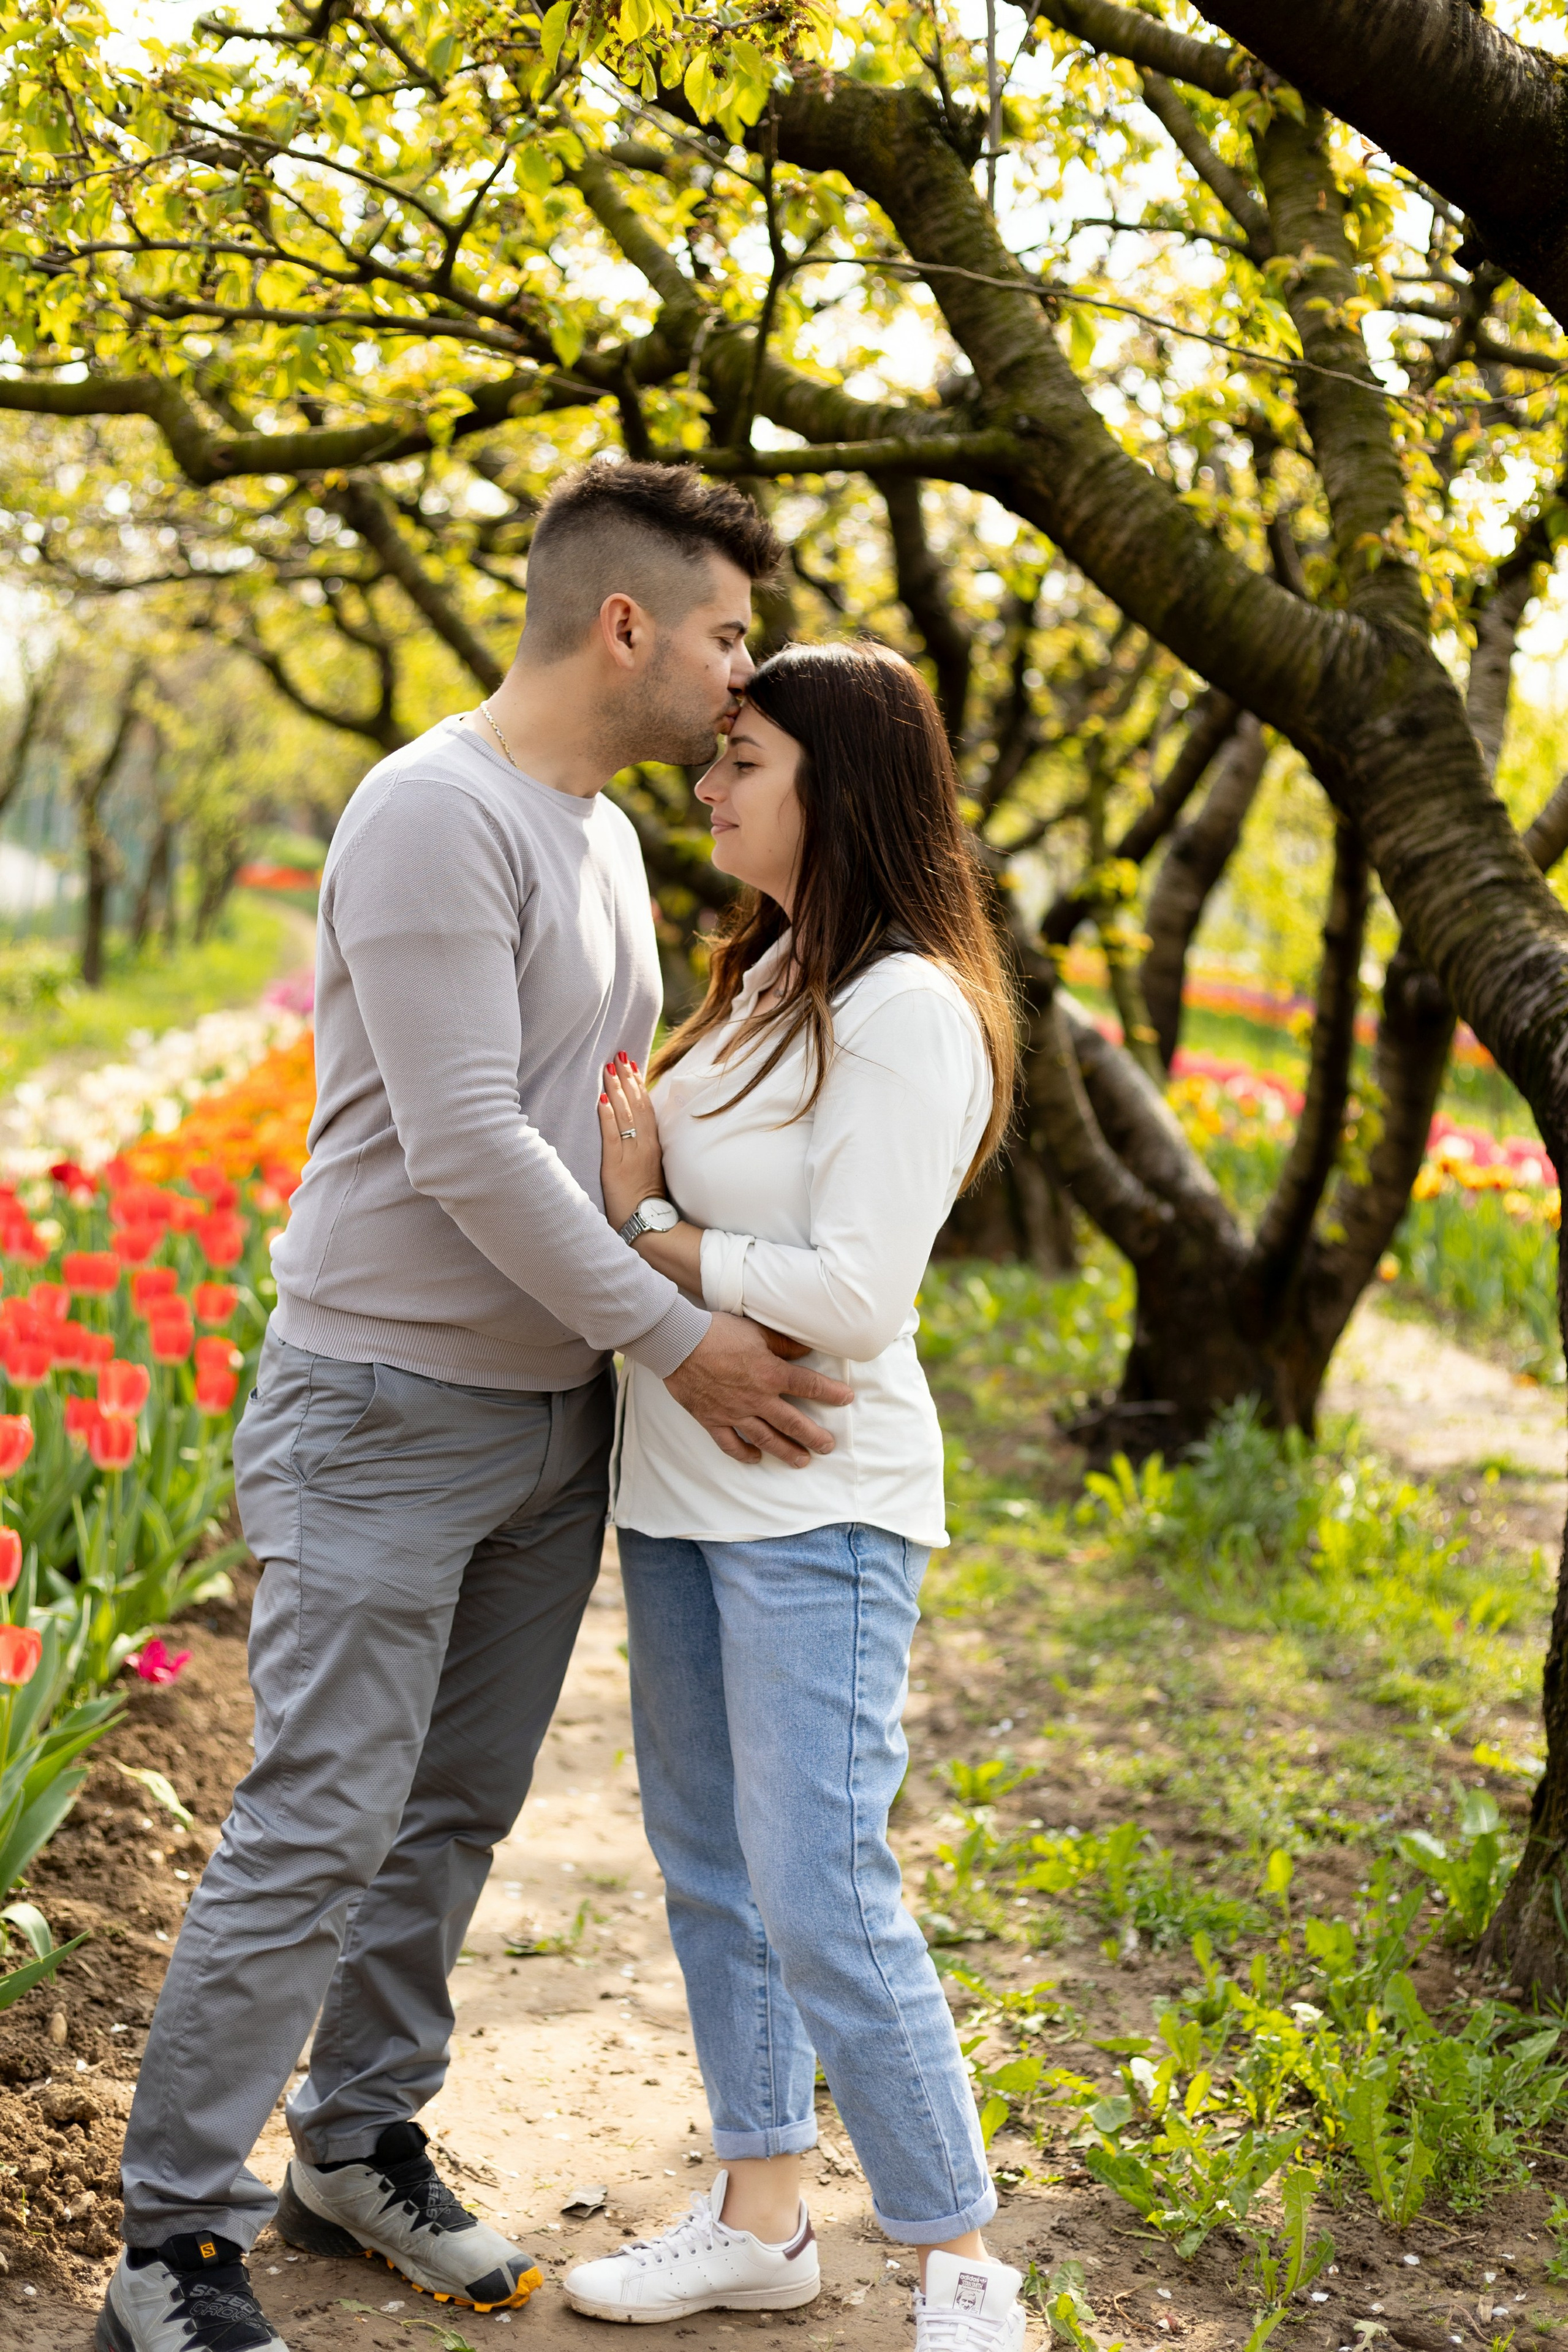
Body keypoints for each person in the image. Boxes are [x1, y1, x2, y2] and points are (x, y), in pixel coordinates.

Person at [97, 462, 856, 2352]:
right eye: (728, 634)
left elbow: (592, 1126)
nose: (741, 674)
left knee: (448, 1818)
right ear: (627, 628)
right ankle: (169, 2247)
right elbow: (463, 1148)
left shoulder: (597, 828)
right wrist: (684, 1339)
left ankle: (354, 2149)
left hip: (549, 1419)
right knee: (320, 1817)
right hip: (380, 1401)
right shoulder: (437, 812)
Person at [562, 641, 1028, 2352]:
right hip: (683, 1480)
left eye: (742, 761)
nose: (711, 785)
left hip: (817, 1498)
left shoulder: (908, 1006)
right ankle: (763, 2214)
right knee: (708, 1864)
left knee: (822, 1880)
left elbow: (850, 1293)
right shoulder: (761, 979)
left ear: (839, 784)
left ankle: (963, 2262)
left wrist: (641, 1229)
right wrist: (666, 1244)